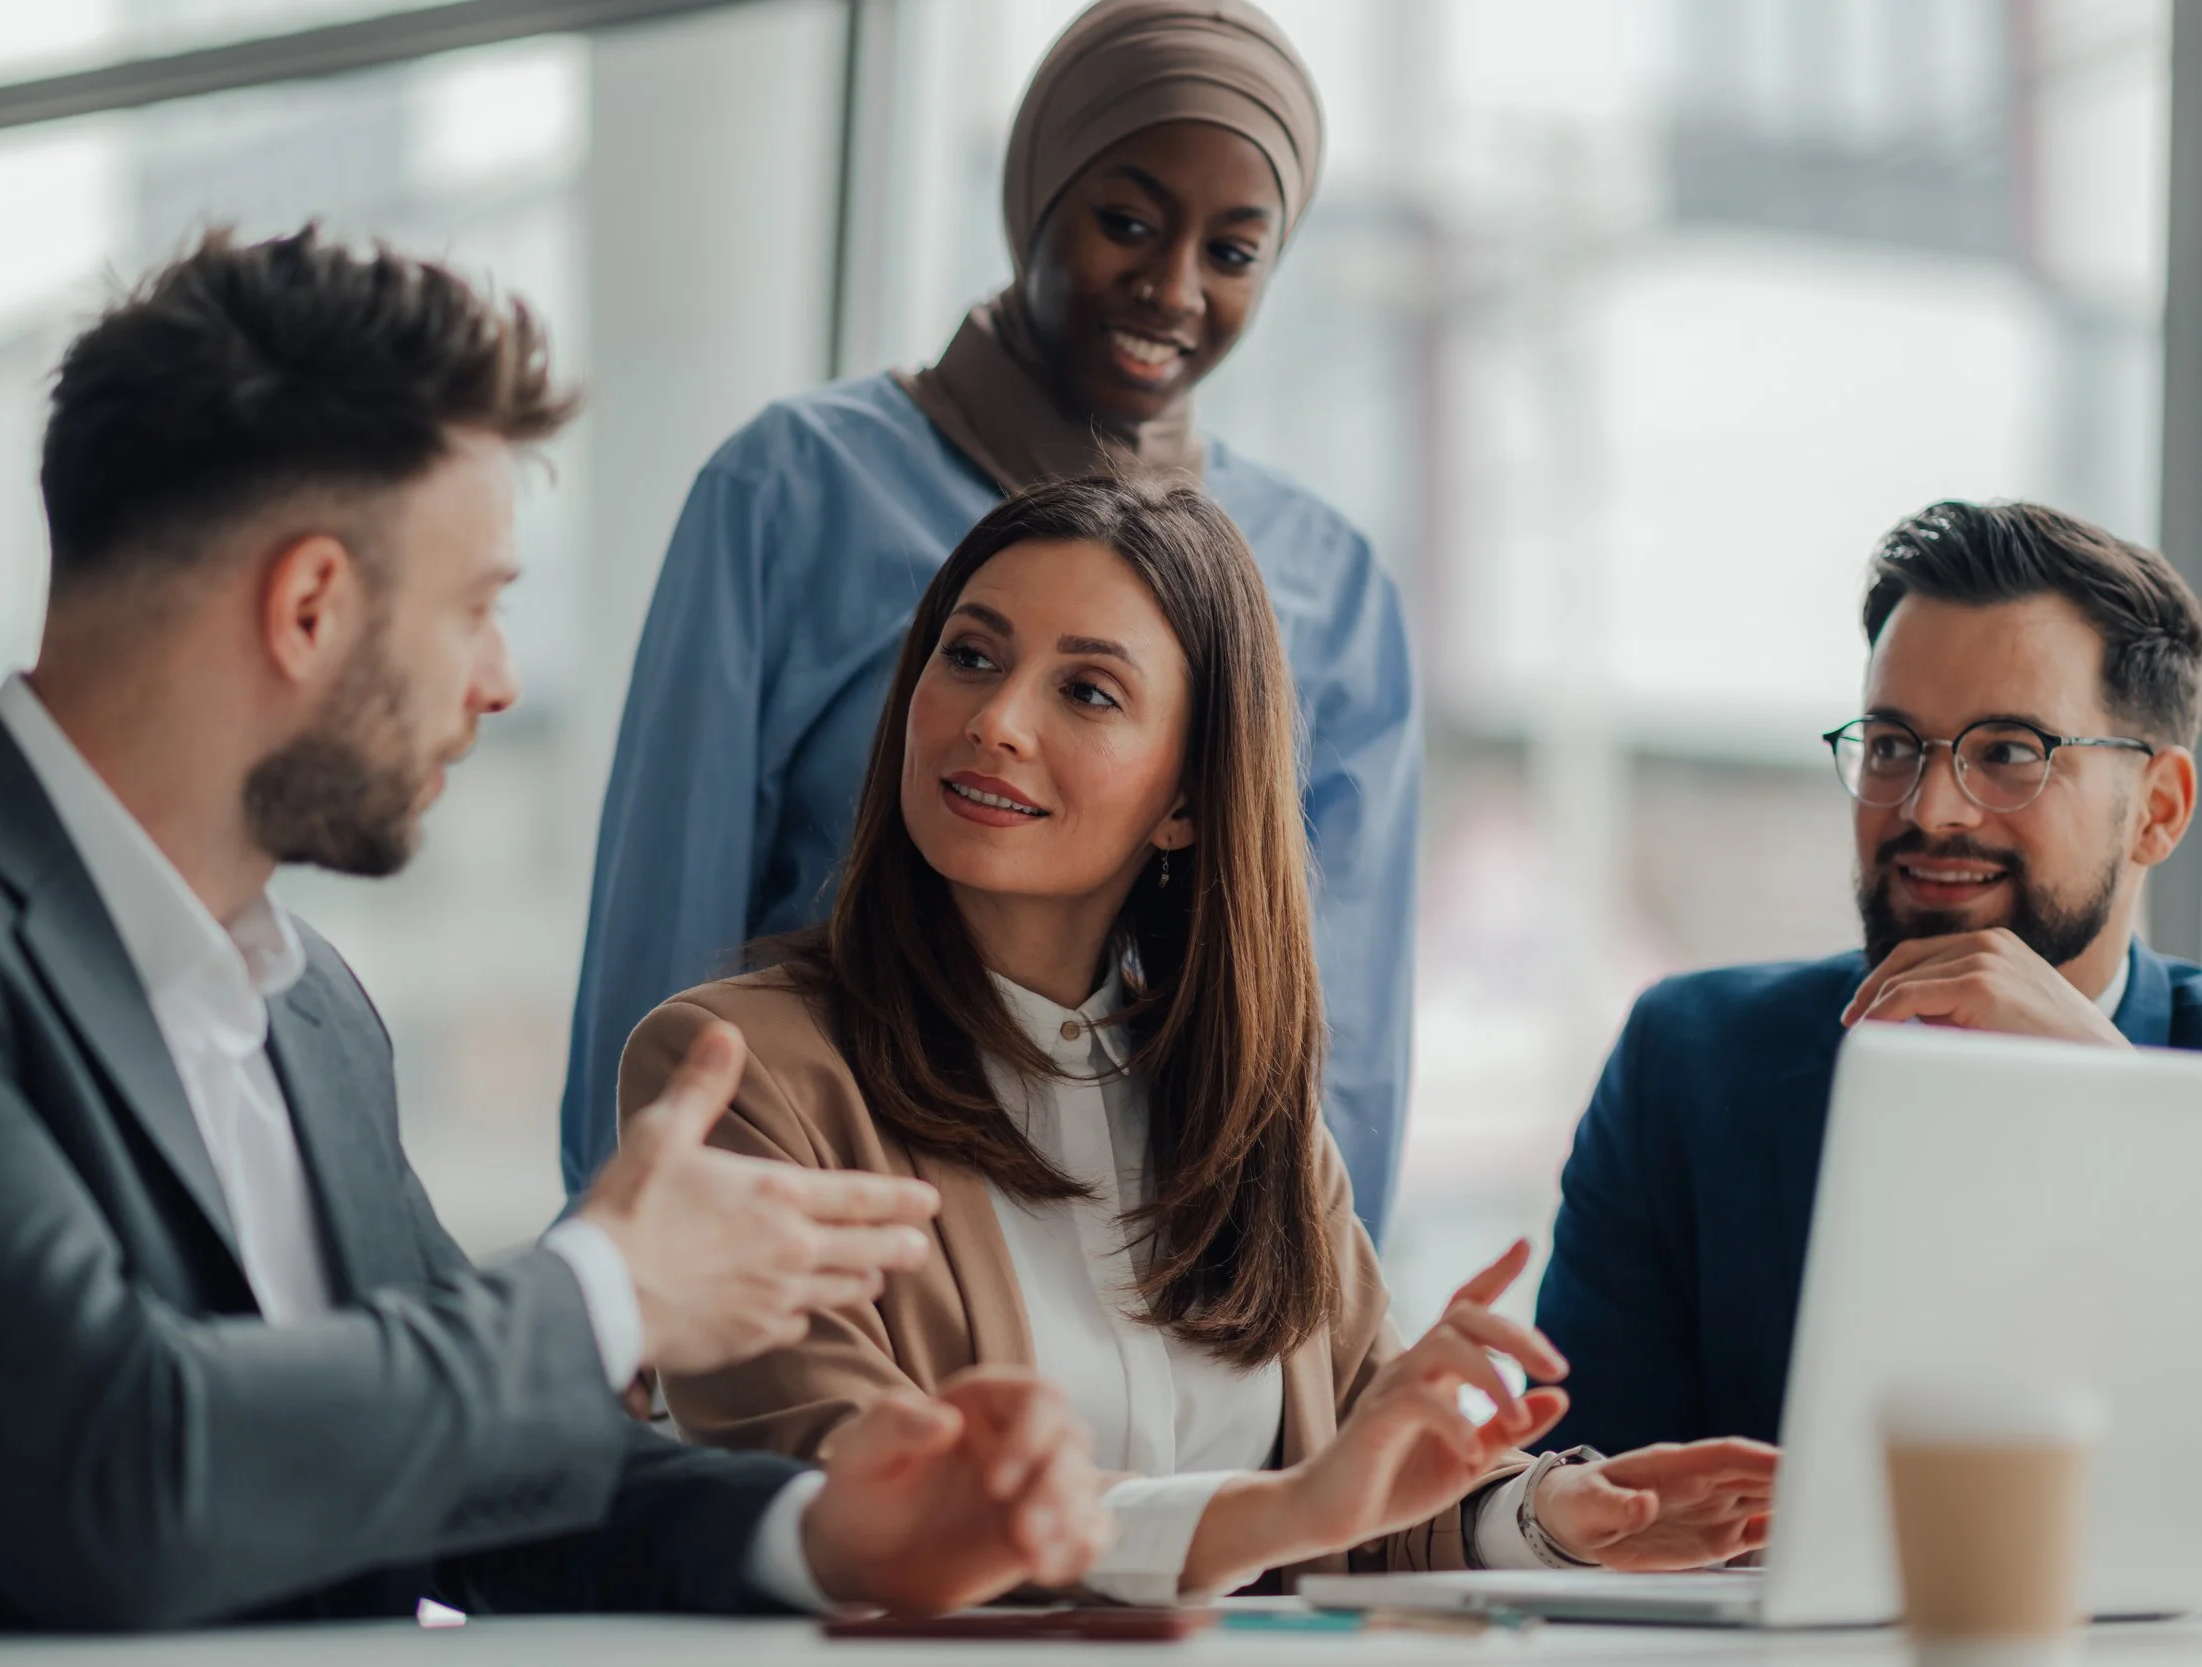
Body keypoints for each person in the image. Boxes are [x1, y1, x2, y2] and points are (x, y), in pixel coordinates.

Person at [0, 229, 1116, 1634]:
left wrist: (819, 1528)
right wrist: (607, 1291)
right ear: (310, 605)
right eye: (479, 606)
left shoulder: (311, 1009)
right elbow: (121, 1470)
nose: (502, 681)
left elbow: (464, 1462)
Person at [620, 475, 1776, 1605]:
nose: (995, 720)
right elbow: (859, 1492)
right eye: (971, 655)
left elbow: (1369, 1493)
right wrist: (1282, 1512)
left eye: (1086, 692)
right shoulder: (740, 1070)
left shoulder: (1247, 1120)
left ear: (1184, 799)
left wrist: (1552, 1516)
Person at [562, 0, 1420, 1240]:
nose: (1171, 288)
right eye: (1124, 221)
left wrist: (1317, 1337)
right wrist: (628, 1267)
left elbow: (1337, 1027)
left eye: (1233, 253)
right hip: (826, 1198)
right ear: (1033, 192)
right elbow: (666, 910)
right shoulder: (796, 487)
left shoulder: (1325, 582)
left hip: (1153, 1251)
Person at [1537, 500, 2202, 1457]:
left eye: (2009, 753)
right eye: (1893, 746)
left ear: (2159, 810)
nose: (1931, 809)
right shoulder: (1690, 1068)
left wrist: (2115, 1101)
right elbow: (1575, 1498)